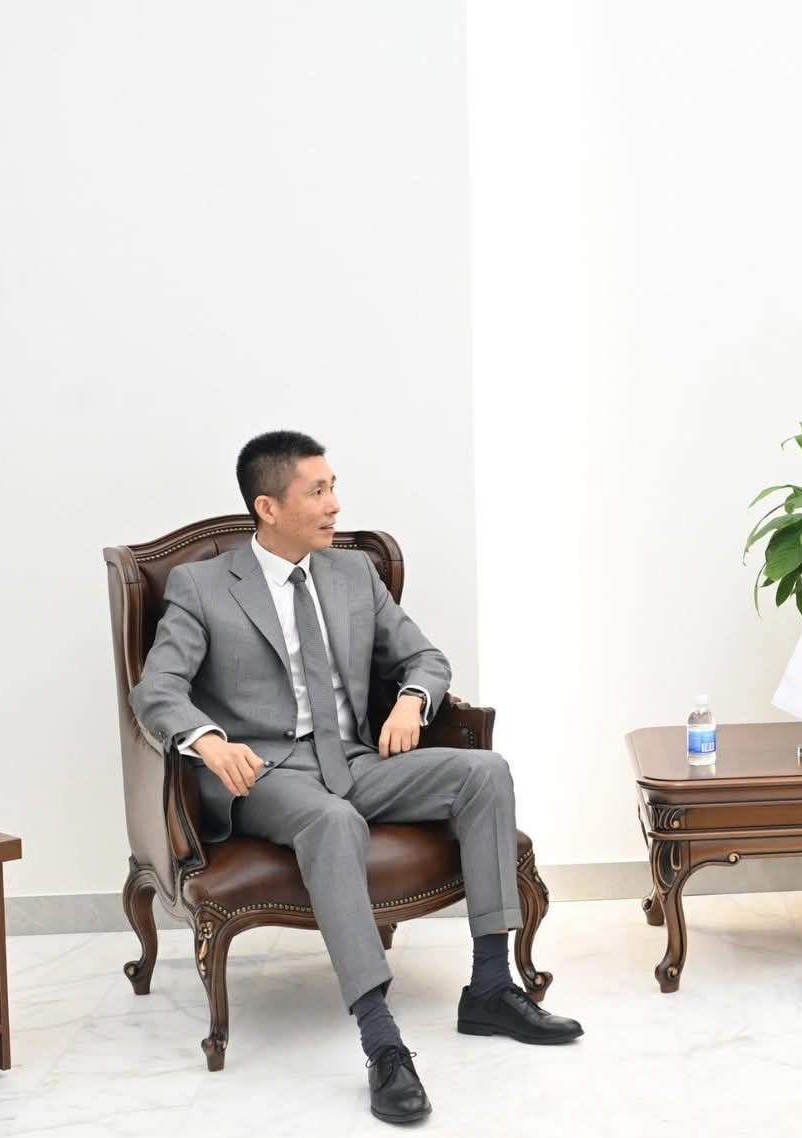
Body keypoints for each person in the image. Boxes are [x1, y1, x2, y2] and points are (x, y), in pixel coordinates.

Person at [131, 430, 582, 1123]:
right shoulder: (203, 586)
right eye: (317, 491)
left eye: (334, 486)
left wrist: (411, 700)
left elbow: (425, 657)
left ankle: (491, 988)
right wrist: (209, 740)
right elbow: (156, 689)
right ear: (268, 507)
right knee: (332, 819)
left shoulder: (352, 575)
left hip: (356, 760)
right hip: (267, 773)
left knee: (485, 772)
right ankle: (382, 1040)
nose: (335, 505)